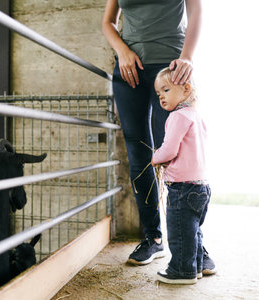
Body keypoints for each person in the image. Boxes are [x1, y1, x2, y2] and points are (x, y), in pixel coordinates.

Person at [102, 0, 215, 274]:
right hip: (129, 69)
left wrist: (187, 56)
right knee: (139, 151)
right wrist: (122, 51)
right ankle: (152, 237)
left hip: (172, 66)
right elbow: (108, 21)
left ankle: (194, 244)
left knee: (179, 153)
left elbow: (196, 9)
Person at [152, 67, 212, 284]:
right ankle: (194, 267)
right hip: (201, 186)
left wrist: (156, 157)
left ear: (186, 89)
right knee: (193, 231)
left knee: (179, 231)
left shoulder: (177, 116)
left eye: (166, 90)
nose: (161, 97)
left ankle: (181, 271)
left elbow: (169, 149)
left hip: (182, 187)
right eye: (159, 94)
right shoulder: (196, 116)